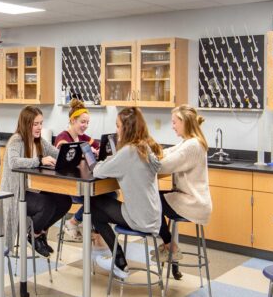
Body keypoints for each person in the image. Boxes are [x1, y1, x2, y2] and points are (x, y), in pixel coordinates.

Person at [91, 107, 162, 280]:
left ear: (126, 128)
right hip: (153, 216)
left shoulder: (128, 152)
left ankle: (118, 260)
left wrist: (108, 161)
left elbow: (98, 171)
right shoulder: (145, 147)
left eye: (117, 126)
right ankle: (118, 258)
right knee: (100, 205)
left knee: (92, 207)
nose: (116, 130)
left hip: (139, 218)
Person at [1, 106, 72, 259]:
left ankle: (39, 233)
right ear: (26, 124)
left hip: (33, 190)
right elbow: (14, 162)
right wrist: (39, 160)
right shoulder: (16, 140)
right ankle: (33, 234)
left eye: (41, 123)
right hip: (15, 192)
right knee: (47, 204)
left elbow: (58, 154)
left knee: (65, 201)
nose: (39, 127)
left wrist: (77, 154)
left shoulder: (40, 142)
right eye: (35, 124)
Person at [155, 105, 213, 278]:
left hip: (193, 203)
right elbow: (167, 153)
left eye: (174, 122)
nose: (172, 126)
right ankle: (170, 249)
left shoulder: (192, 145)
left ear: (184, 122)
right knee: (153, 199)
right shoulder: (189, 142)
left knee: (149, 201)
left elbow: (163, 165)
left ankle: (169, 245)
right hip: (188, 199)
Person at [54, 99, 109, 248]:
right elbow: (63, 151)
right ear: (73, 120)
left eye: (87, 123)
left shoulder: (83, 137)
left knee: (109, 195)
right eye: (82, 122)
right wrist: (85, 153)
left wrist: (96, 150)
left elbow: (98, 146)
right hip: (68, 185)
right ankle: (79, 225)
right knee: (98, 198)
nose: (85, 126)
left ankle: (85, 227)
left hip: (82, 181)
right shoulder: (63, 137)